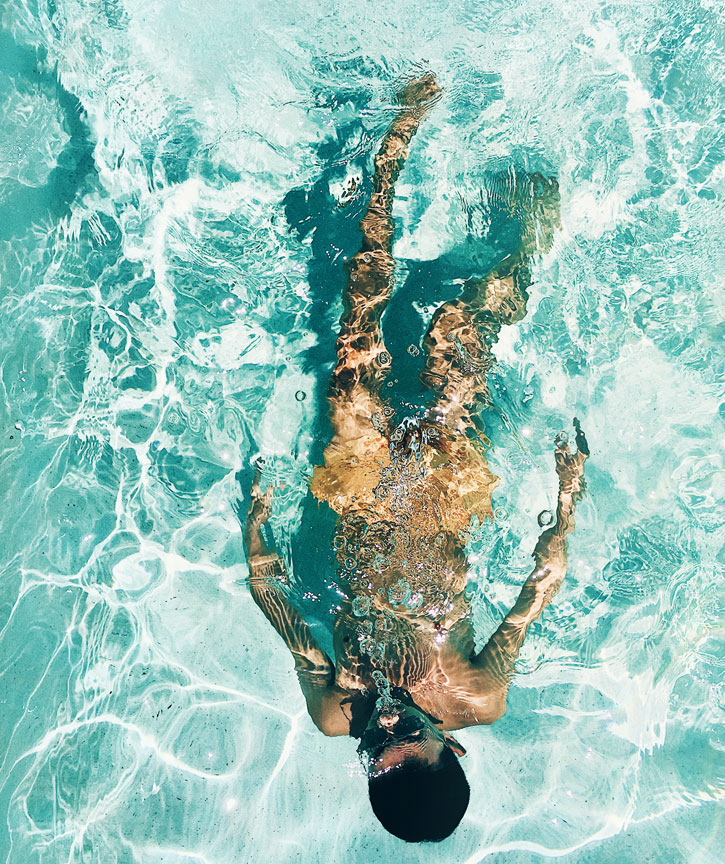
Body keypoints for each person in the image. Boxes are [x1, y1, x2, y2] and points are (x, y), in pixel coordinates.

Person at [242, 71, 588, 843]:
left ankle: (394, 152)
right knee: (460, 324)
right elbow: (540, 588)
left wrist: (256, 533)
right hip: (442, 489)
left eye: (374, 750)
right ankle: (526, 231)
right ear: (450, 744)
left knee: (356, 323)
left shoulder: (337, 712)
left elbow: (279, 610)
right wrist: (568, 498)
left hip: (361, 489)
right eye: (409, 739)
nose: (384, 725)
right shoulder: (476, 692)